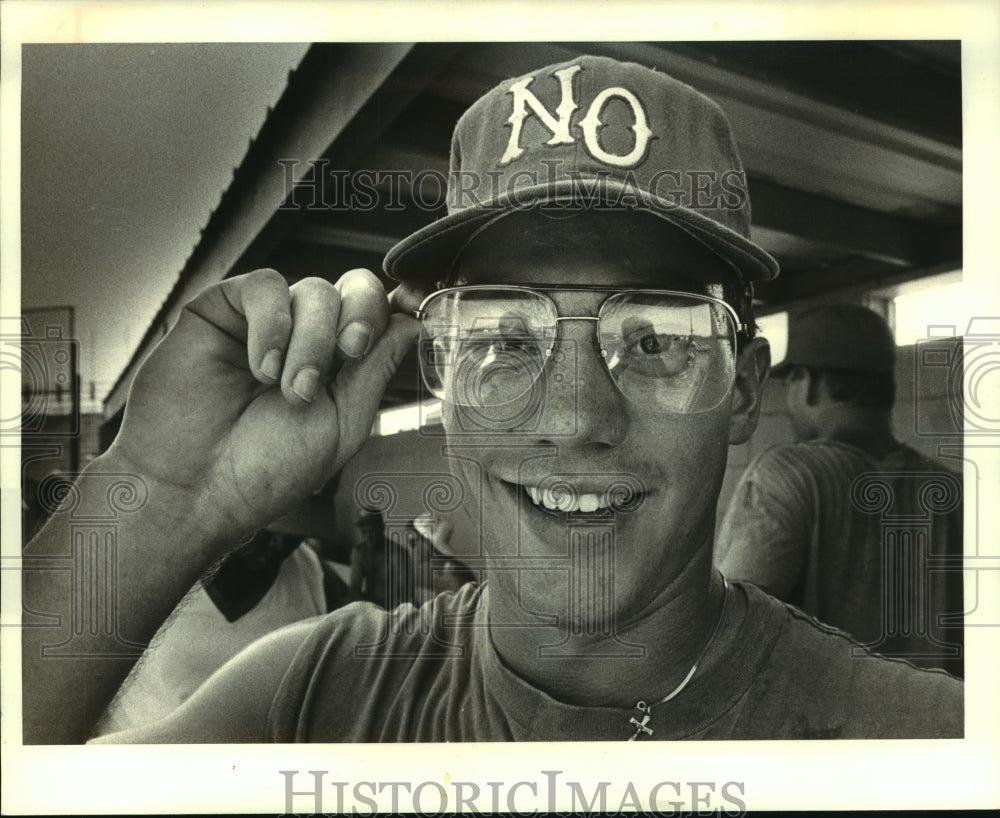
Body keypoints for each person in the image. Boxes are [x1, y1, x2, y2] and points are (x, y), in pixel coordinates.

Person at [22, 54, 962, 744]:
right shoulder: (318, 694)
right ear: (442, 376)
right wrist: (167, 497)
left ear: (745, 391)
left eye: (656, 341)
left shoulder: (922, 740)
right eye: (507, 338)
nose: (573, 418)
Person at [715, 304, 964, 676]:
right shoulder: (954, 490)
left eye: (792, 382)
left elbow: (731, 629)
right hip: (935, 721)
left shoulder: (787, 474)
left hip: (821, 725)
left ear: (810, 382)